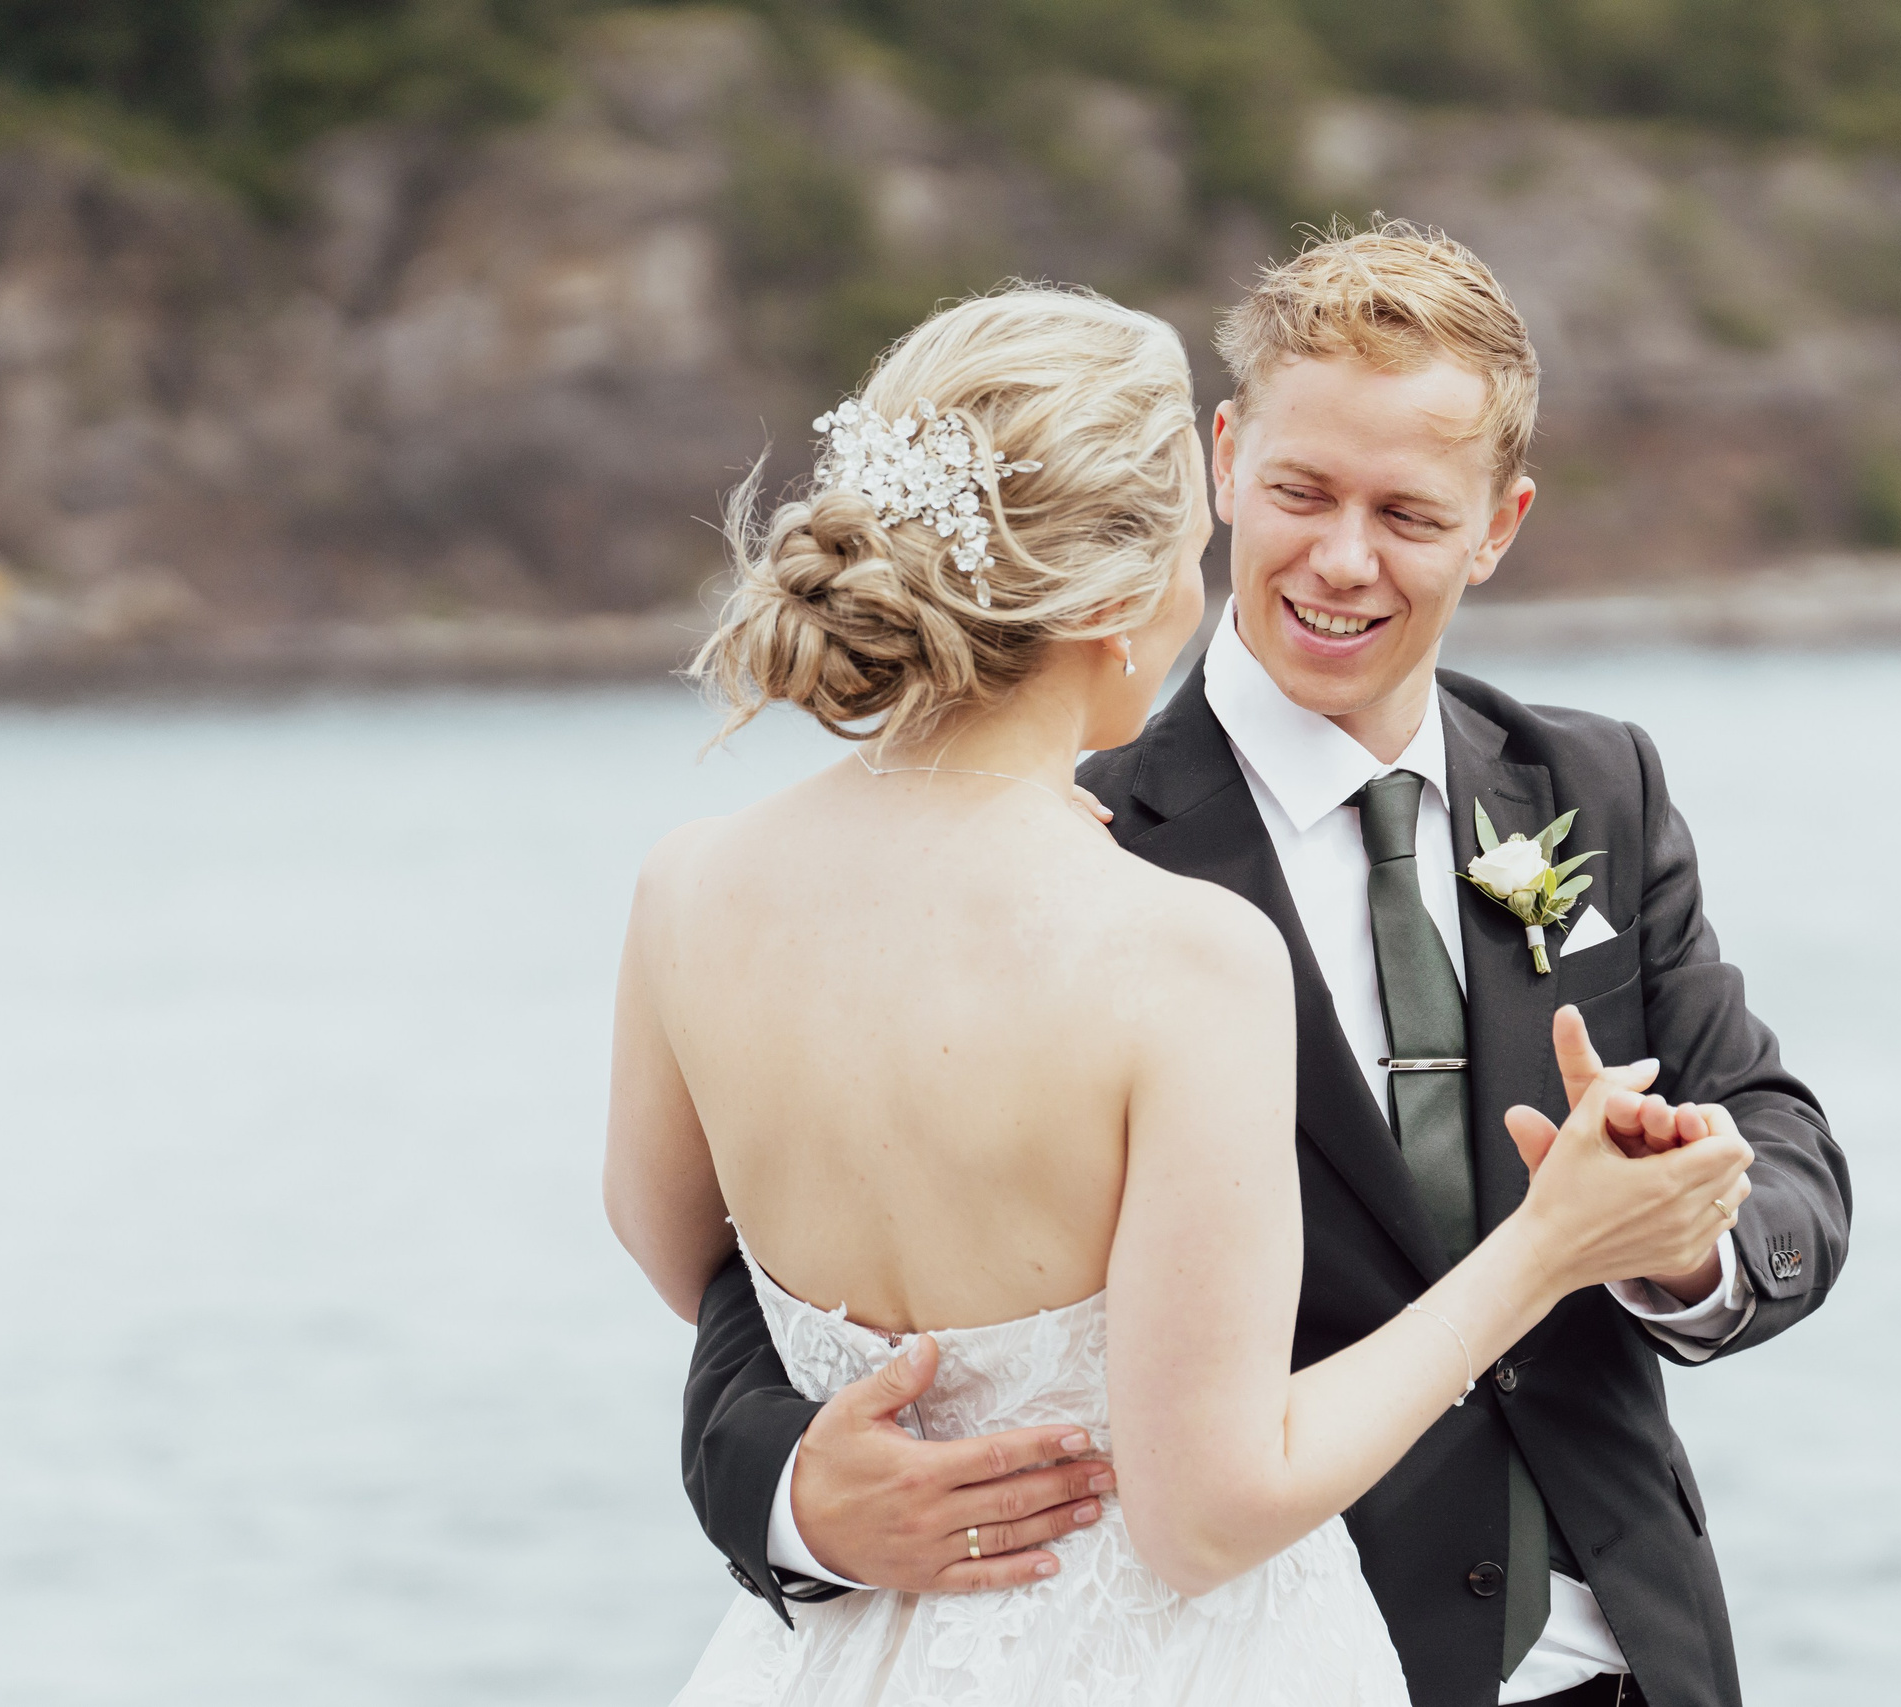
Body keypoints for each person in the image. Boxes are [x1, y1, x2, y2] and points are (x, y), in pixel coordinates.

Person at [604, 280, 1760, 1706]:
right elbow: (1206, 1508)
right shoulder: (1173, 941)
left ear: (1494, 525)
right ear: (1135, 578)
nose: (1336, 561)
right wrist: (1551, 1246)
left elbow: (686, 1252)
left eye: (1406, 515)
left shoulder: (688, 884)